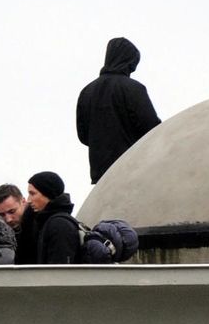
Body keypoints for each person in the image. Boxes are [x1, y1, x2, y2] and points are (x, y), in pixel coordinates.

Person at [77, 37, 161, 183]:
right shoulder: (133, 88)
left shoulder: (87, 92)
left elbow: (83, 135)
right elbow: (152, 128)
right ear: (130, 62)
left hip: (100, 175)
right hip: (132, 169)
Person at [16, 171, 79, 265]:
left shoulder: (59, 225)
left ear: (48, 193)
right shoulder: (44, 222)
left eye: (33, 194)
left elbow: (60, 272)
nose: (28, 200)